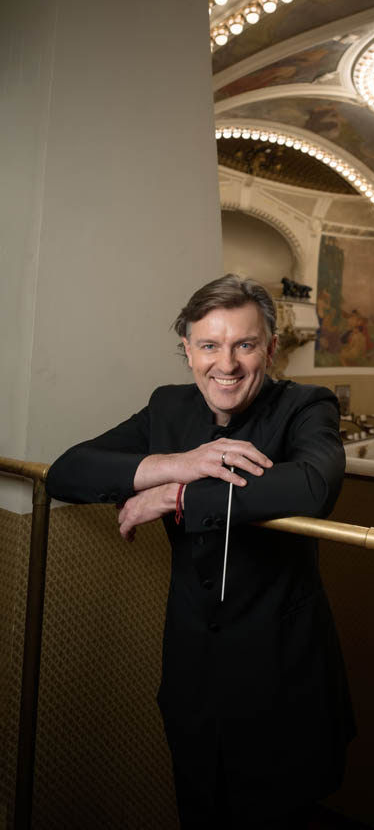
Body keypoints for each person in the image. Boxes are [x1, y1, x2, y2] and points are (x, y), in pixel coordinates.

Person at [47, 274, 355, 828]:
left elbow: (314, 486)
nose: (226, 364)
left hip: (282, 678)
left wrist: (181, 497)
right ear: (187, 351)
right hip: (191, 675)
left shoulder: (307, 405)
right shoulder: (167, 407)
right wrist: (176, 465)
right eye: (209, 345)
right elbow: (67, 472)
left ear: (270, 349)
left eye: (245, 344)